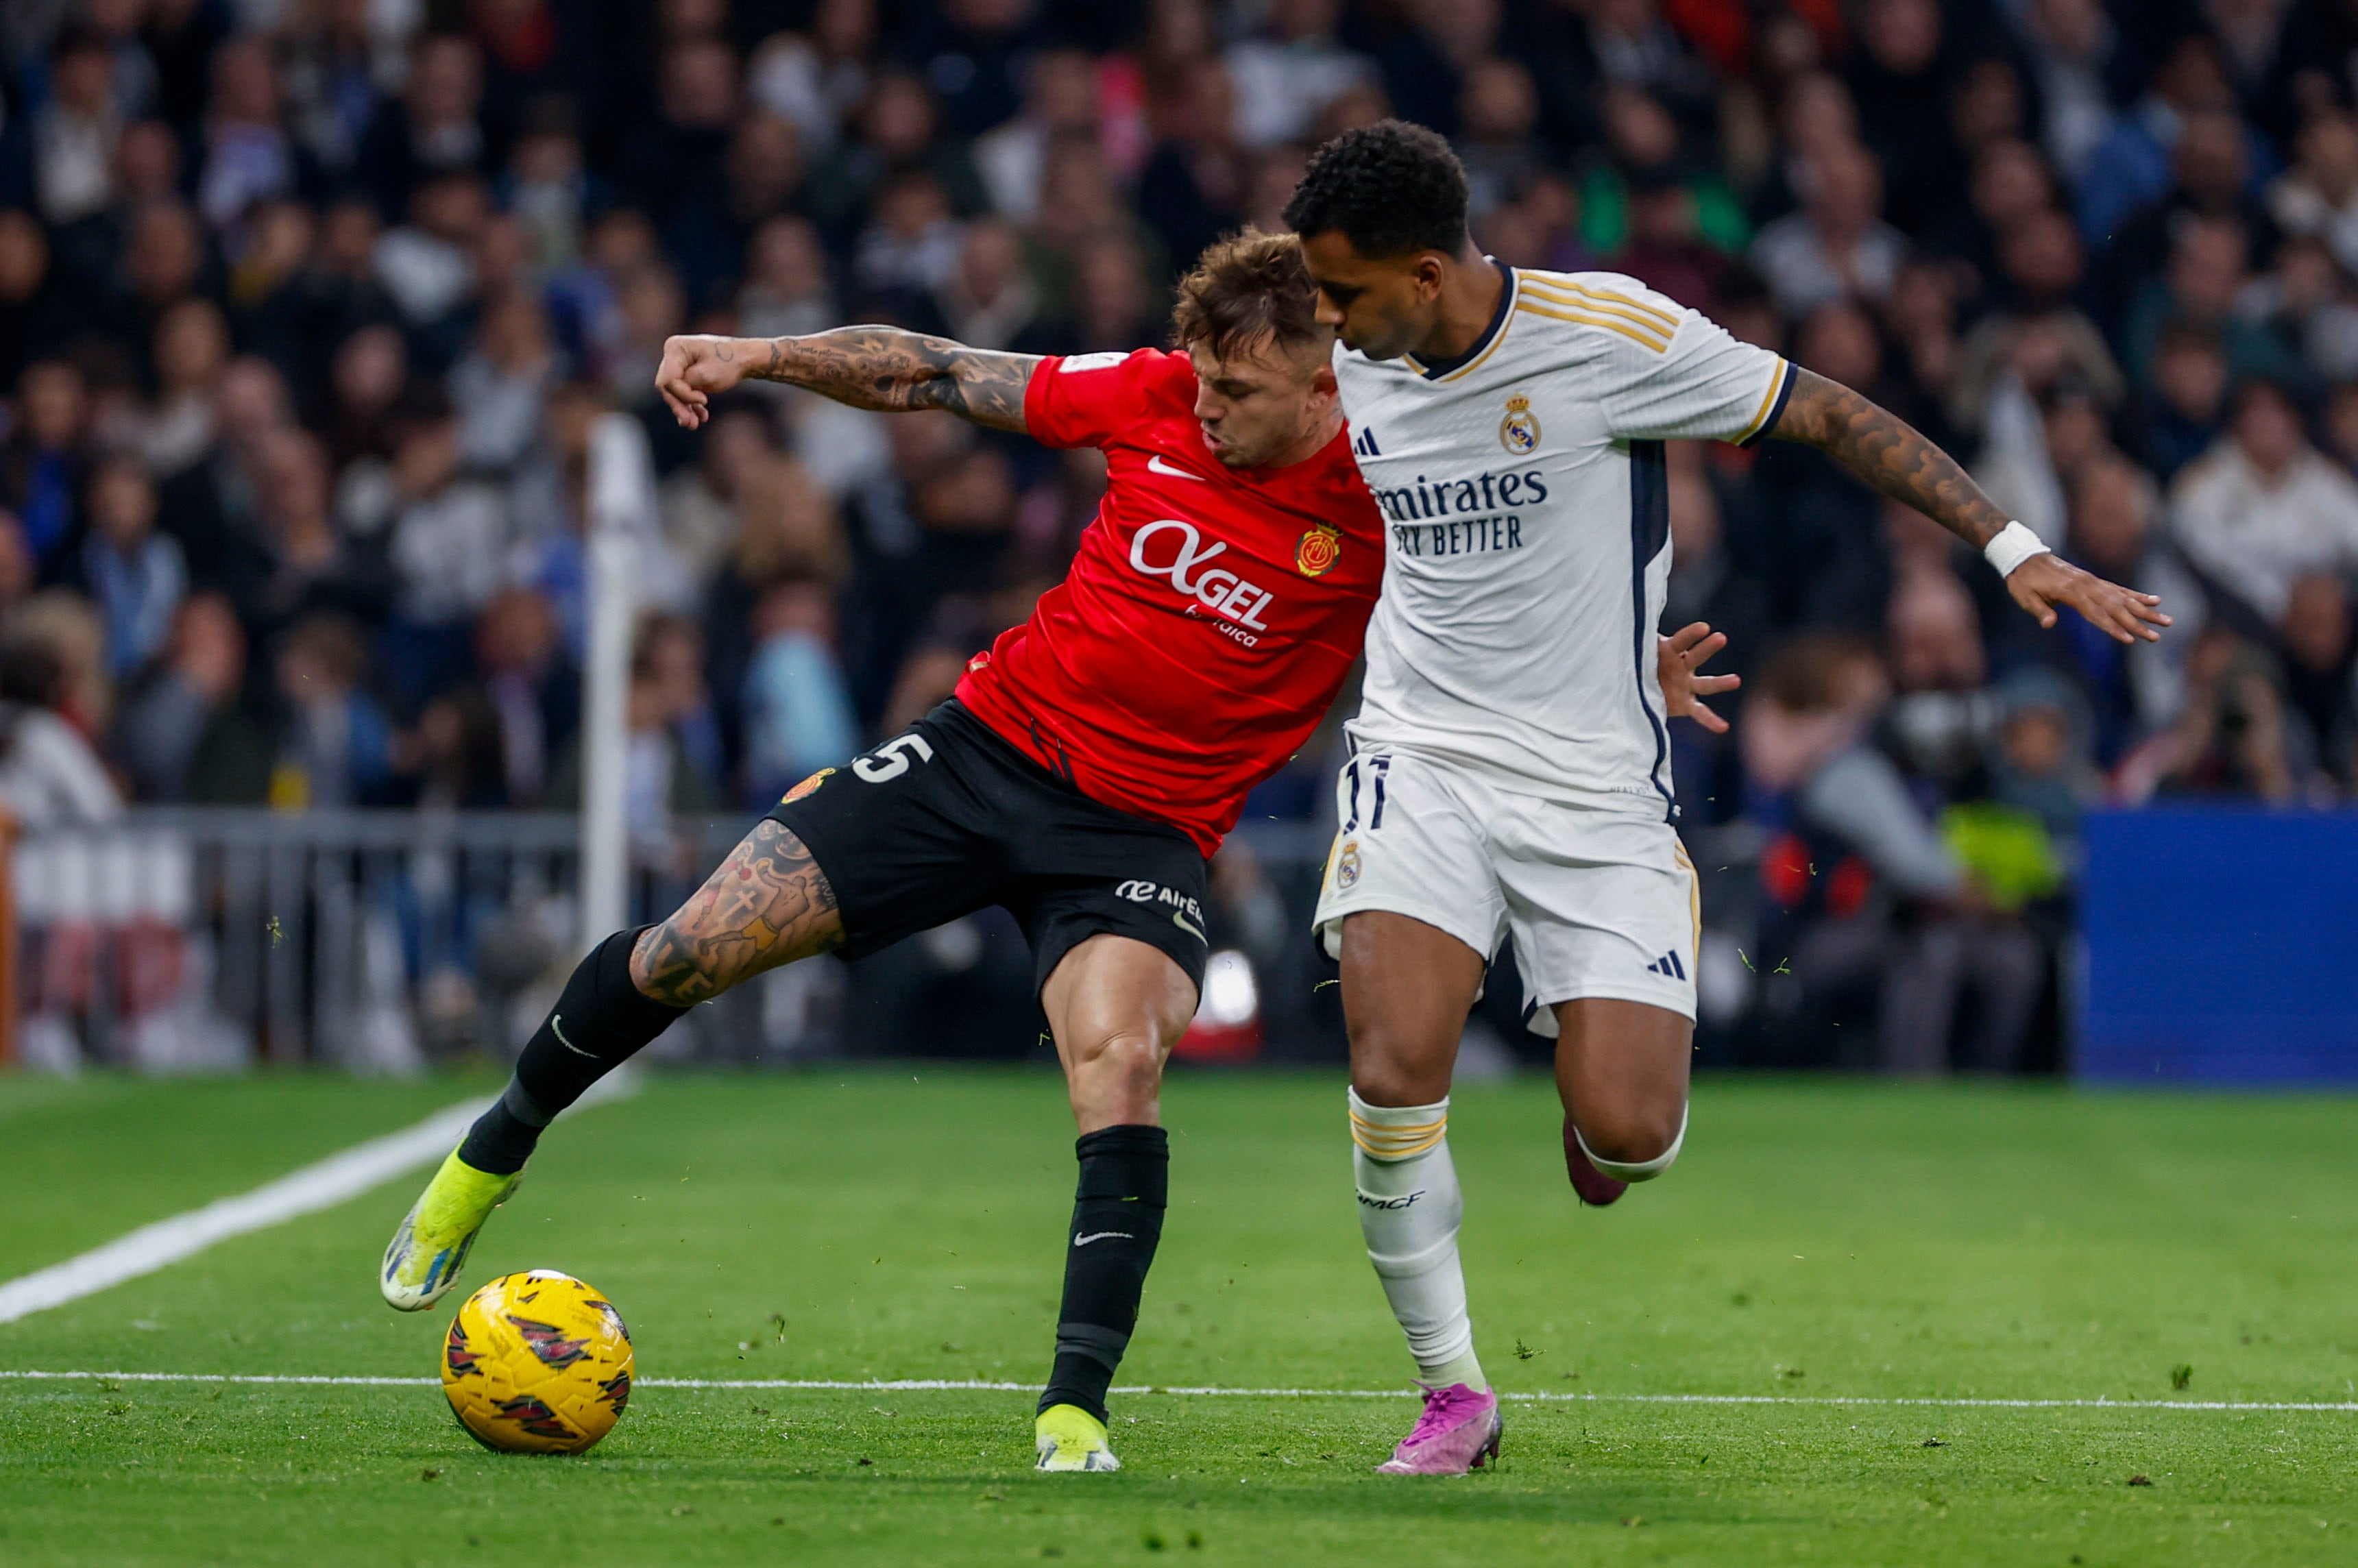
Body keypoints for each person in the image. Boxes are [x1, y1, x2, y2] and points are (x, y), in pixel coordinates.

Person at [377, 227, 1731, 1473]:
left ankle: (1073, 1408)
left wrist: (1622, 668)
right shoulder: (1150, 390)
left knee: (1122, 1064)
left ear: (1326, 383)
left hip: (1140, 837)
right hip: (981, 750)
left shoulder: (1391, 481)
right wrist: (758, 354)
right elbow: (942, 376)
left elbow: (1520, 591)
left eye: (1234, 394)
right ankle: (485, 1158)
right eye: (1195, 384)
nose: (1200, 412)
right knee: (688, 948)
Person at [1280, 120, 2171, 1475]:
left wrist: (2010, 549)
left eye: (1344, 291)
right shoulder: (1353, 359)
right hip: (1426, 752)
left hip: (1594, 788)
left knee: (1627, 1129)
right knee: (1392, 1066)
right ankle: (1452, 1391)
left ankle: (1604, 1117)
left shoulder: (1604, 334)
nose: (1328, 321)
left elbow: (1820, 409)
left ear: (1421, 272)